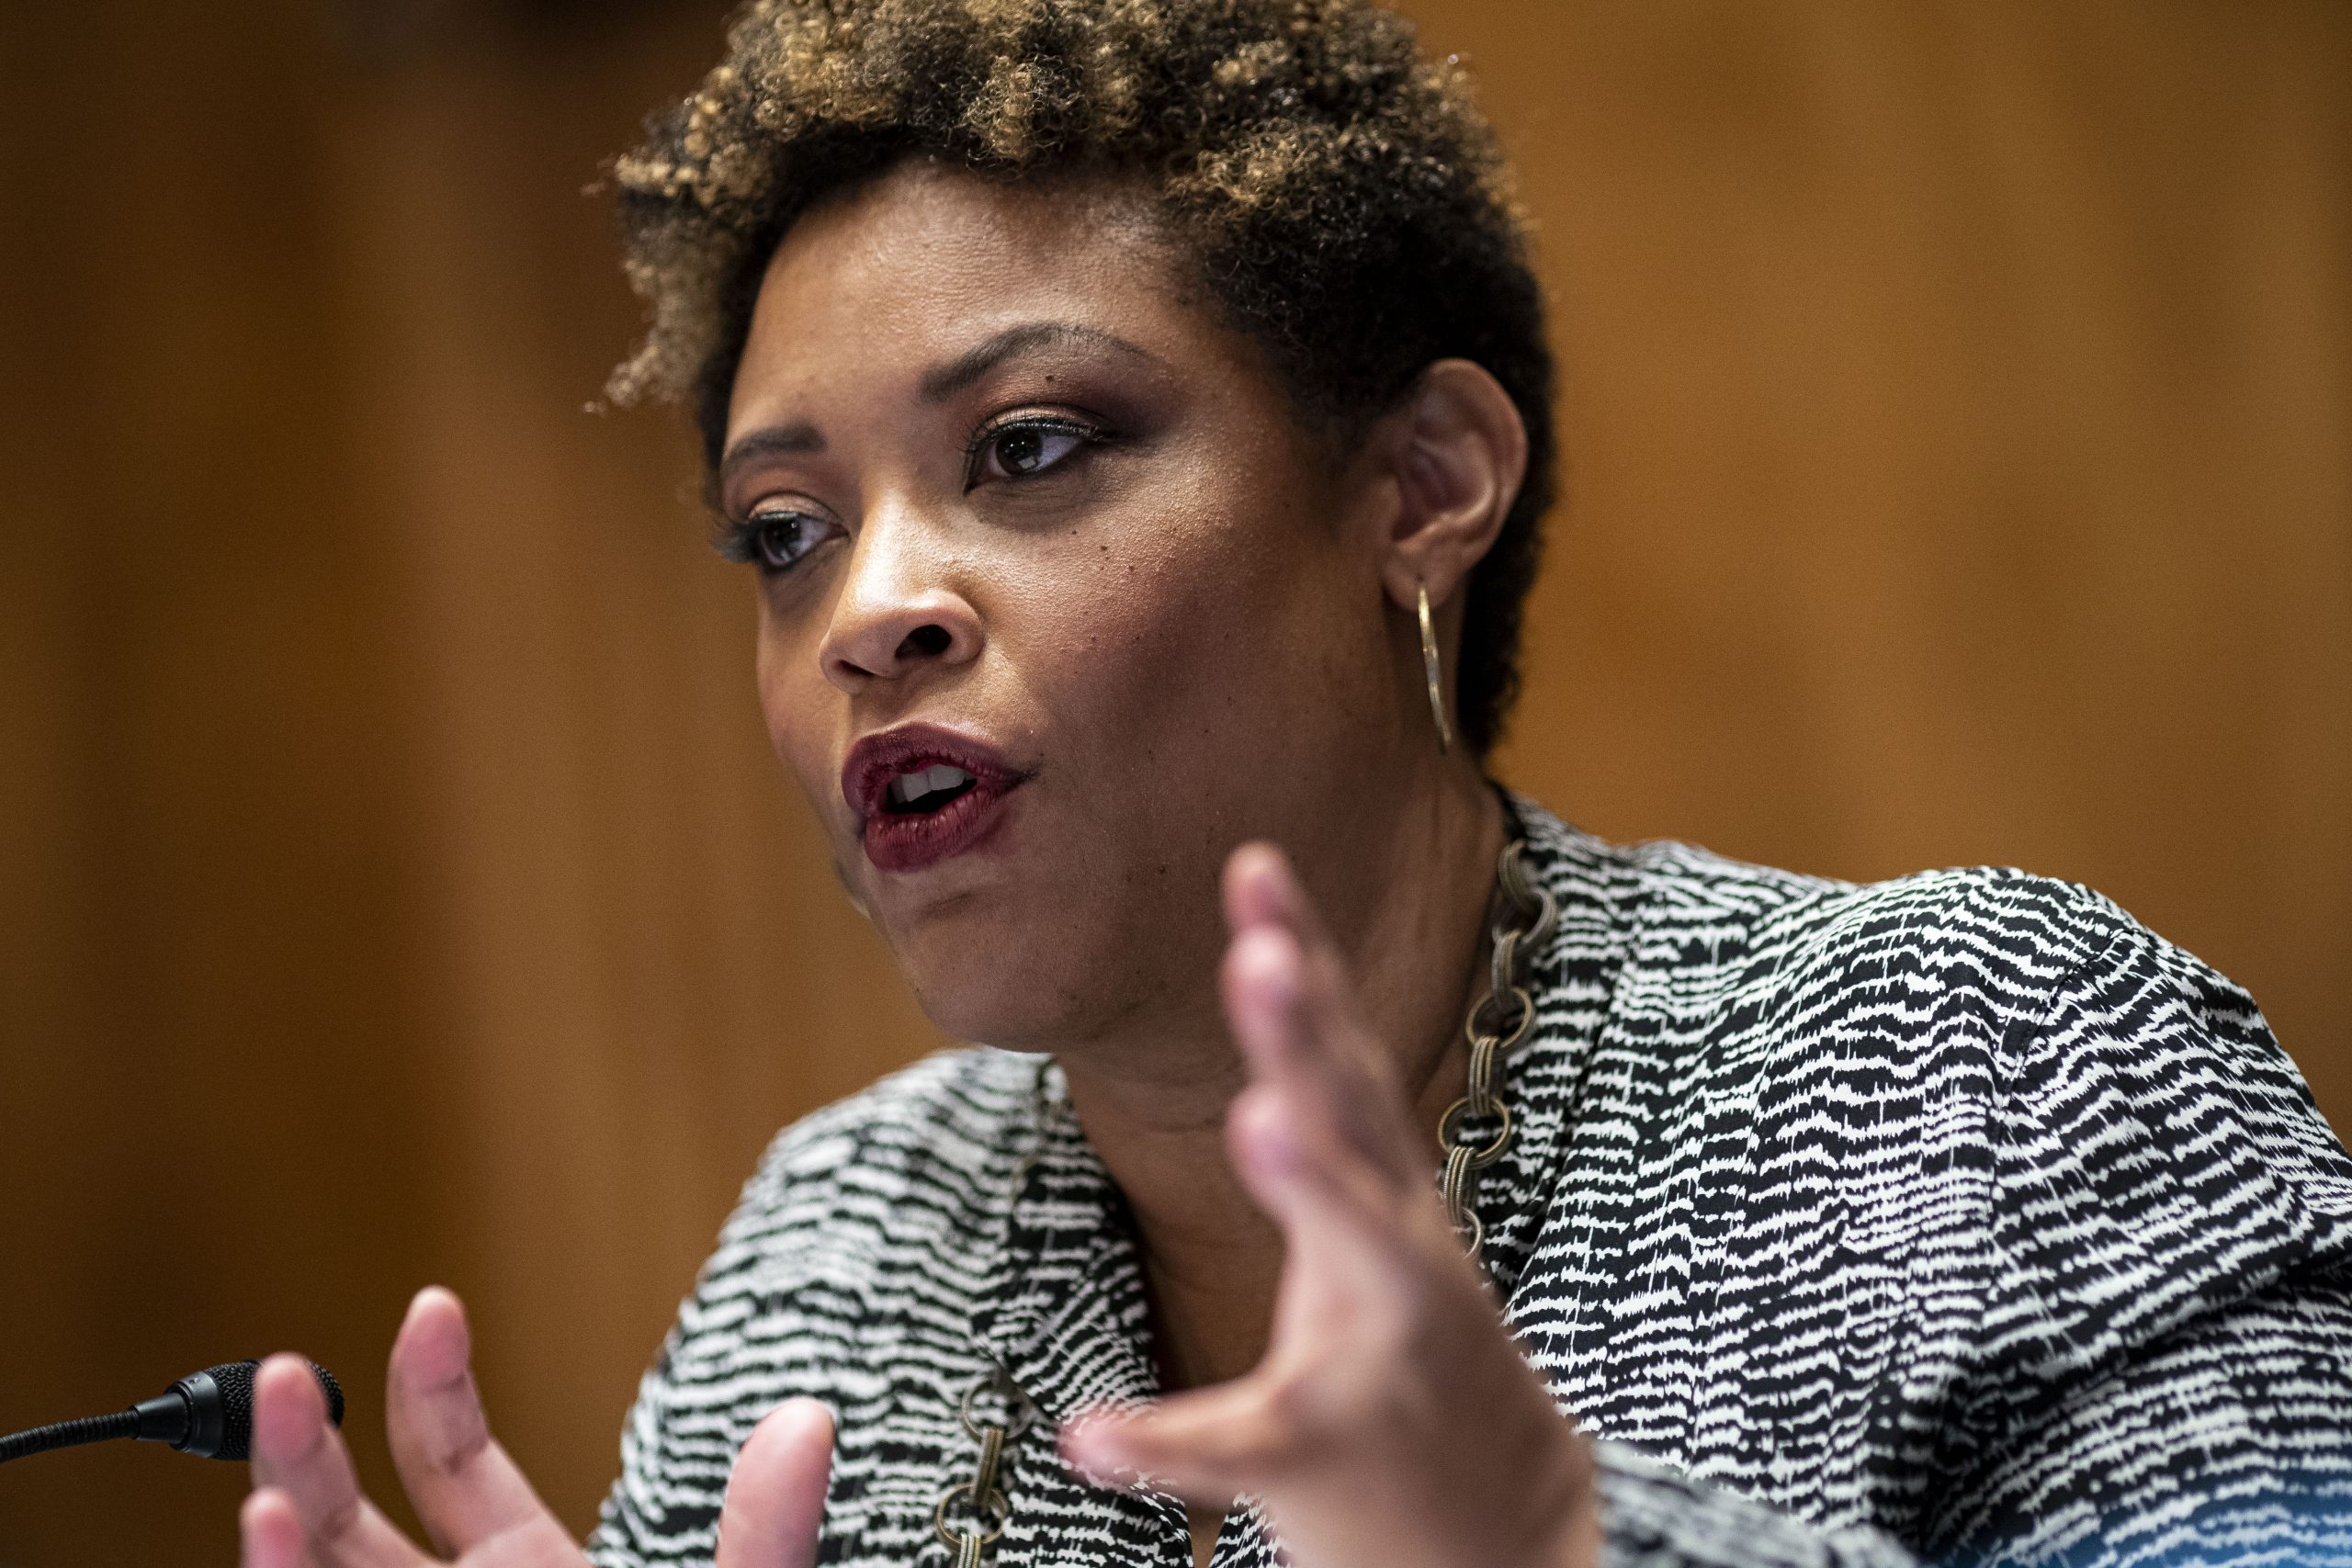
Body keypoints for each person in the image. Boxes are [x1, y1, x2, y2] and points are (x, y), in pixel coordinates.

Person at [235, 2, 2352, 1565]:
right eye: (783, 532)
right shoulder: (837, 1252)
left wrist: (1549, 1545)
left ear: (1417, 484)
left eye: (1032, 446)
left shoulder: (1972, 1061)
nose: (870, 604)